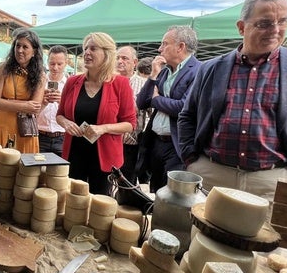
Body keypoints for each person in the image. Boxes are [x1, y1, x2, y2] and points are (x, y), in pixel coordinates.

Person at [178, 0, 287, 203]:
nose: (275, 30)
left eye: (283, 22)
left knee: (268, 237)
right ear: (241, 27)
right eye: (264, 23)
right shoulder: (211, 68)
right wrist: (191, 159)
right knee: (203, 236)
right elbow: (187, 115)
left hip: (270, 181)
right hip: (214, 175)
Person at [56, 32, 136, 195]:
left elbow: (130, 124)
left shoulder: (120, 83)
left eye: (93, 48)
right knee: (72, 201)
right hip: (74, 154)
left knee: (99, 206)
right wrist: (66, 123)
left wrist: (103, 128)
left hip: (104, 158)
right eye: (85, 48)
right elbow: (60, 115)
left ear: (106, 54)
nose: (86, 53)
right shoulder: (72, 82)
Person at [136, 25, 201, 193]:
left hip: (177, 145)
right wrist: (152, 77)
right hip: (156, 143)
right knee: (155, 192)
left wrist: (157, 99)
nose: (159, 49)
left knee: (172, 196)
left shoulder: (199, 71)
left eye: (164, 44)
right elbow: (142, 102)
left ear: (181, 47)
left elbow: (183, 108)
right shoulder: (164, 72)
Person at [0, 28, 45, 153]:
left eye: (25, 47)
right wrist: (24, 105)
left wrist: (5, 102)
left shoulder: (40, 75)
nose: (20, 50)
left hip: (25, 131)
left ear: (34, 51)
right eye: (17, 45)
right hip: (1, 128)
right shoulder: (3, 69)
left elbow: (34, 107)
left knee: (24, 170)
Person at [116, 45, 150, 185]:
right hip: (109, 140)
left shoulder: (144, 85)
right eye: (117, 58)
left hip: (130, 144)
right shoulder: (108, 82)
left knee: (126, 183)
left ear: (135, 62)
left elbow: (150, 113)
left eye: (124, 58)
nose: (120, 61)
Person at [37, 45, 68, 156]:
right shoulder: (39, 82)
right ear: (47, 62)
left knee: (60, 172)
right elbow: (30, 113)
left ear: (66, 63)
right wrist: (43, 103)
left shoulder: (71, 85)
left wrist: (62, 103)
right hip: (39, 136)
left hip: (62, 138)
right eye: (52, 63)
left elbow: (74, 116)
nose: (55, 68)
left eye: (59, 64)